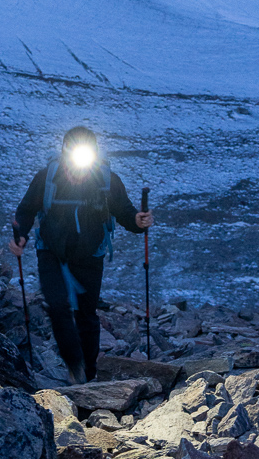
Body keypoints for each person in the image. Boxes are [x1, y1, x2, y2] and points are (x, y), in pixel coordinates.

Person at [9, 127, 152, 384]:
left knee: (86, 314)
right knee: (58, 306)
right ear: (64, 151)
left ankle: (88, 372)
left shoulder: (107, 180)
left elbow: (125, 211)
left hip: (90, 255)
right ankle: (75, 368)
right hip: (50, 251)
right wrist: (21, 235)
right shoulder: (48, 177)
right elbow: (26, 210)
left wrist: (138, 221)